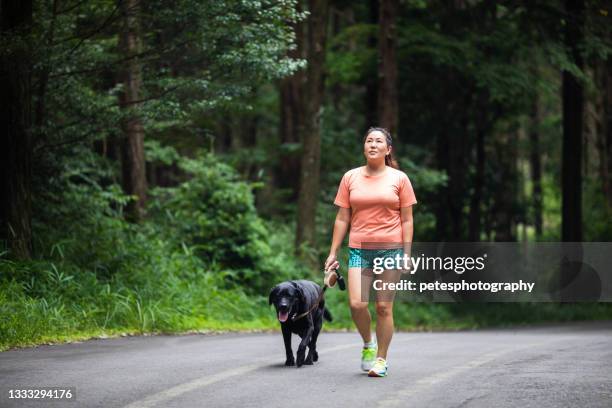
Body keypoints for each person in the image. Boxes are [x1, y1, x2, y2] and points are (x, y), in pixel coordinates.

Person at [324, 127, 416, 378]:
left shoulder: (399, 179)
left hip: (391, 250)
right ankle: (368, 343)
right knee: (357, 304)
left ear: (388, 149)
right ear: (364, 147)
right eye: (368, 141)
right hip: (360, 250)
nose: (373, 145)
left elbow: (407, 220)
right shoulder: (350, 177)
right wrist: (333, 252)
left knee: (384, 307)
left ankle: (381, 360)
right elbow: (343, 217)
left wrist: (407, 253)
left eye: (378, 141)